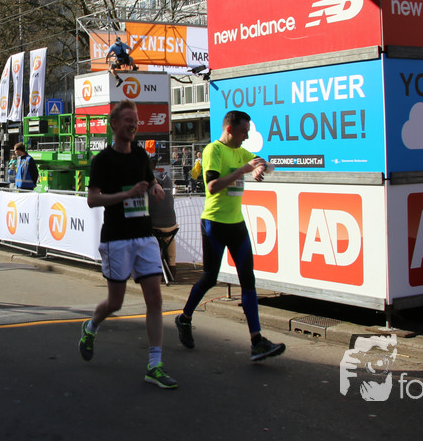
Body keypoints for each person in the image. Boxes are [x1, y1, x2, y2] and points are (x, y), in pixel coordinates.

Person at [78, 99, 177, 389]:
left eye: (135, 121)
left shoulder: (141, 155)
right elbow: (93, 199)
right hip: (117, 237)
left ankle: (155, 365)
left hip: (144, 235)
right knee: (116, 302)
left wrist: (155, 187)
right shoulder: (103, 160)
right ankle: (91, 327)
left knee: (155, 299)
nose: (133, 125)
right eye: (128, 120)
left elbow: (150, 181)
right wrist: (127, 194)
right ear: (114, 124)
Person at [174, 110, 285, 362]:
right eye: (243, 131)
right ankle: (184, 318)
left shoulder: (241, 151)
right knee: (209, 278)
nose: (246, 136)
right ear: (229, 129)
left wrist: (259, 168)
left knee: (248, 280)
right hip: (214, 223)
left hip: (237, 224)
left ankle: (257, 341)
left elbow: (267, 164)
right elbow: (212, 187)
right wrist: (244, 170)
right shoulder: (214, 150)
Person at [148, 155, 178, 281]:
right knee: (169, 239)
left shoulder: (145, 181)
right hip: (172, 225)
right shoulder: (167, 178)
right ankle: (172, 267)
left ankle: (152, 270)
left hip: (154, 226)